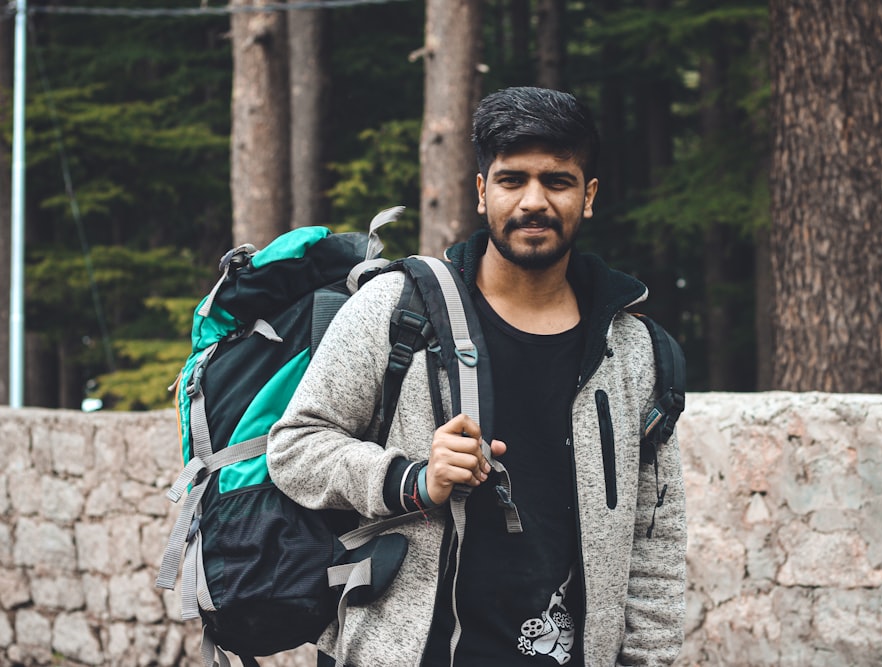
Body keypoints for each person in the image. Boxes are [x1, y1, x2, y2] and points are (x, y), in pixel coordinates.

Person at [268, 86, 686, 666]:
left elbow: (654, 539)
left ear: (588, 196)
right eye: (513, 180)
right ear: (483, 191)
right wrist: (412, 479)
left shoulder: (636, 350)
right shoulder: (396, 308)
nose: (534, 201)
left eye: (558, 181)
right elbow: (293, 447)